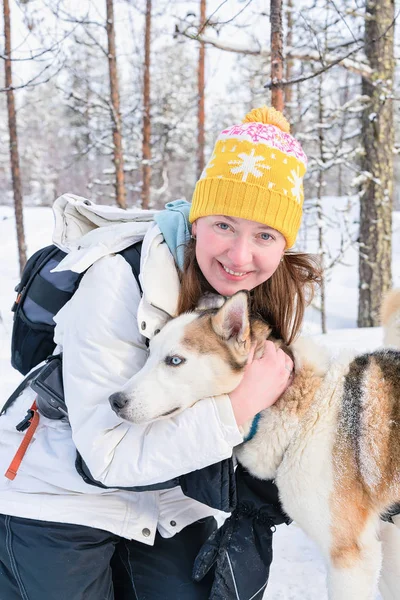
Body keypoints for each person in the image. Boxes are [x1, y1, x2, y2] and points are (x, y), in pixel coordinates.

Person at [0, 106, 321, 600]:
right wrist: (236, 409)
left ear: (283, 244)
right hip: (58, 494)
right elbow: (105, 459)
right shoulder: (116, 282)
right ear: (197, 220)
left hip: (165, 495)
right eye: (224, 225)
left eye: (264, 235)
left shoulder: (260, 298)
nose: (240, 256)